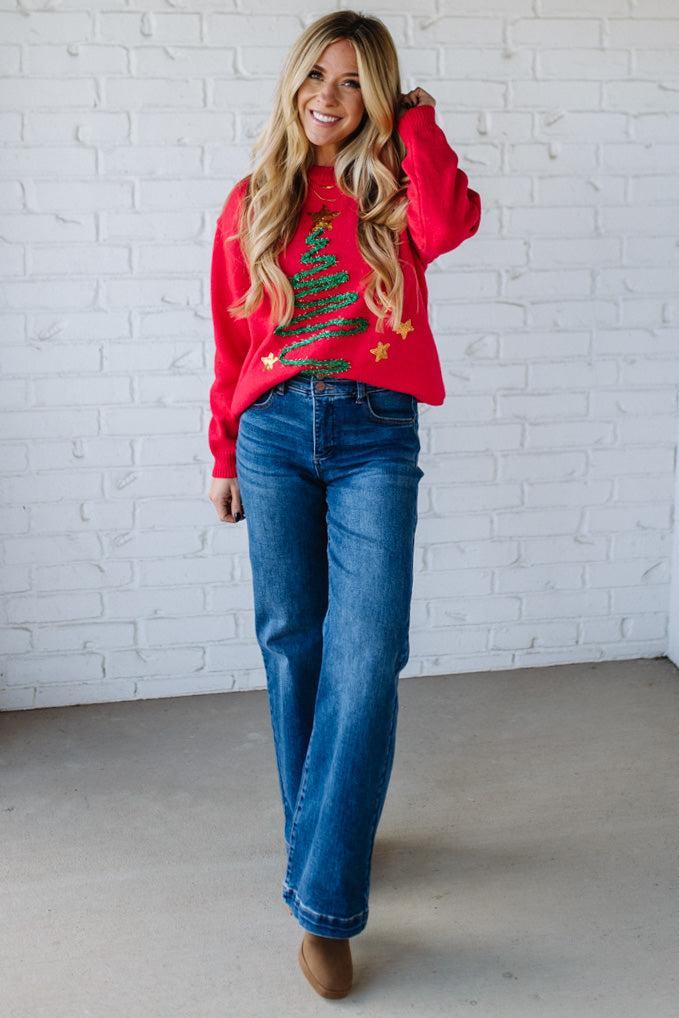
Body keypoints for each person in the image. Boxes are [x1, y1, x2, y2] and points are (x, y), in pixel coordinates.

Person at [207, 10, 481, 999]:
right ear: (293, 84)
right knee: (293, 644)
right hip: (272, 432)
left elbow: (452, 225)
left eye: (354, 80)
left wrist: (416, 122)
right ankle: (324, 840)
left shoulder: (397, 192)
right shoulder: (253, 200)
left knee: (365, 657)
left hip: (375, 434)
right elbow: (230, 338)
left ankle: (323, 904)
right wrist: (222, 452)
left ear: (380, 95)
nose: (329, 95)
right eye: (316, 76)